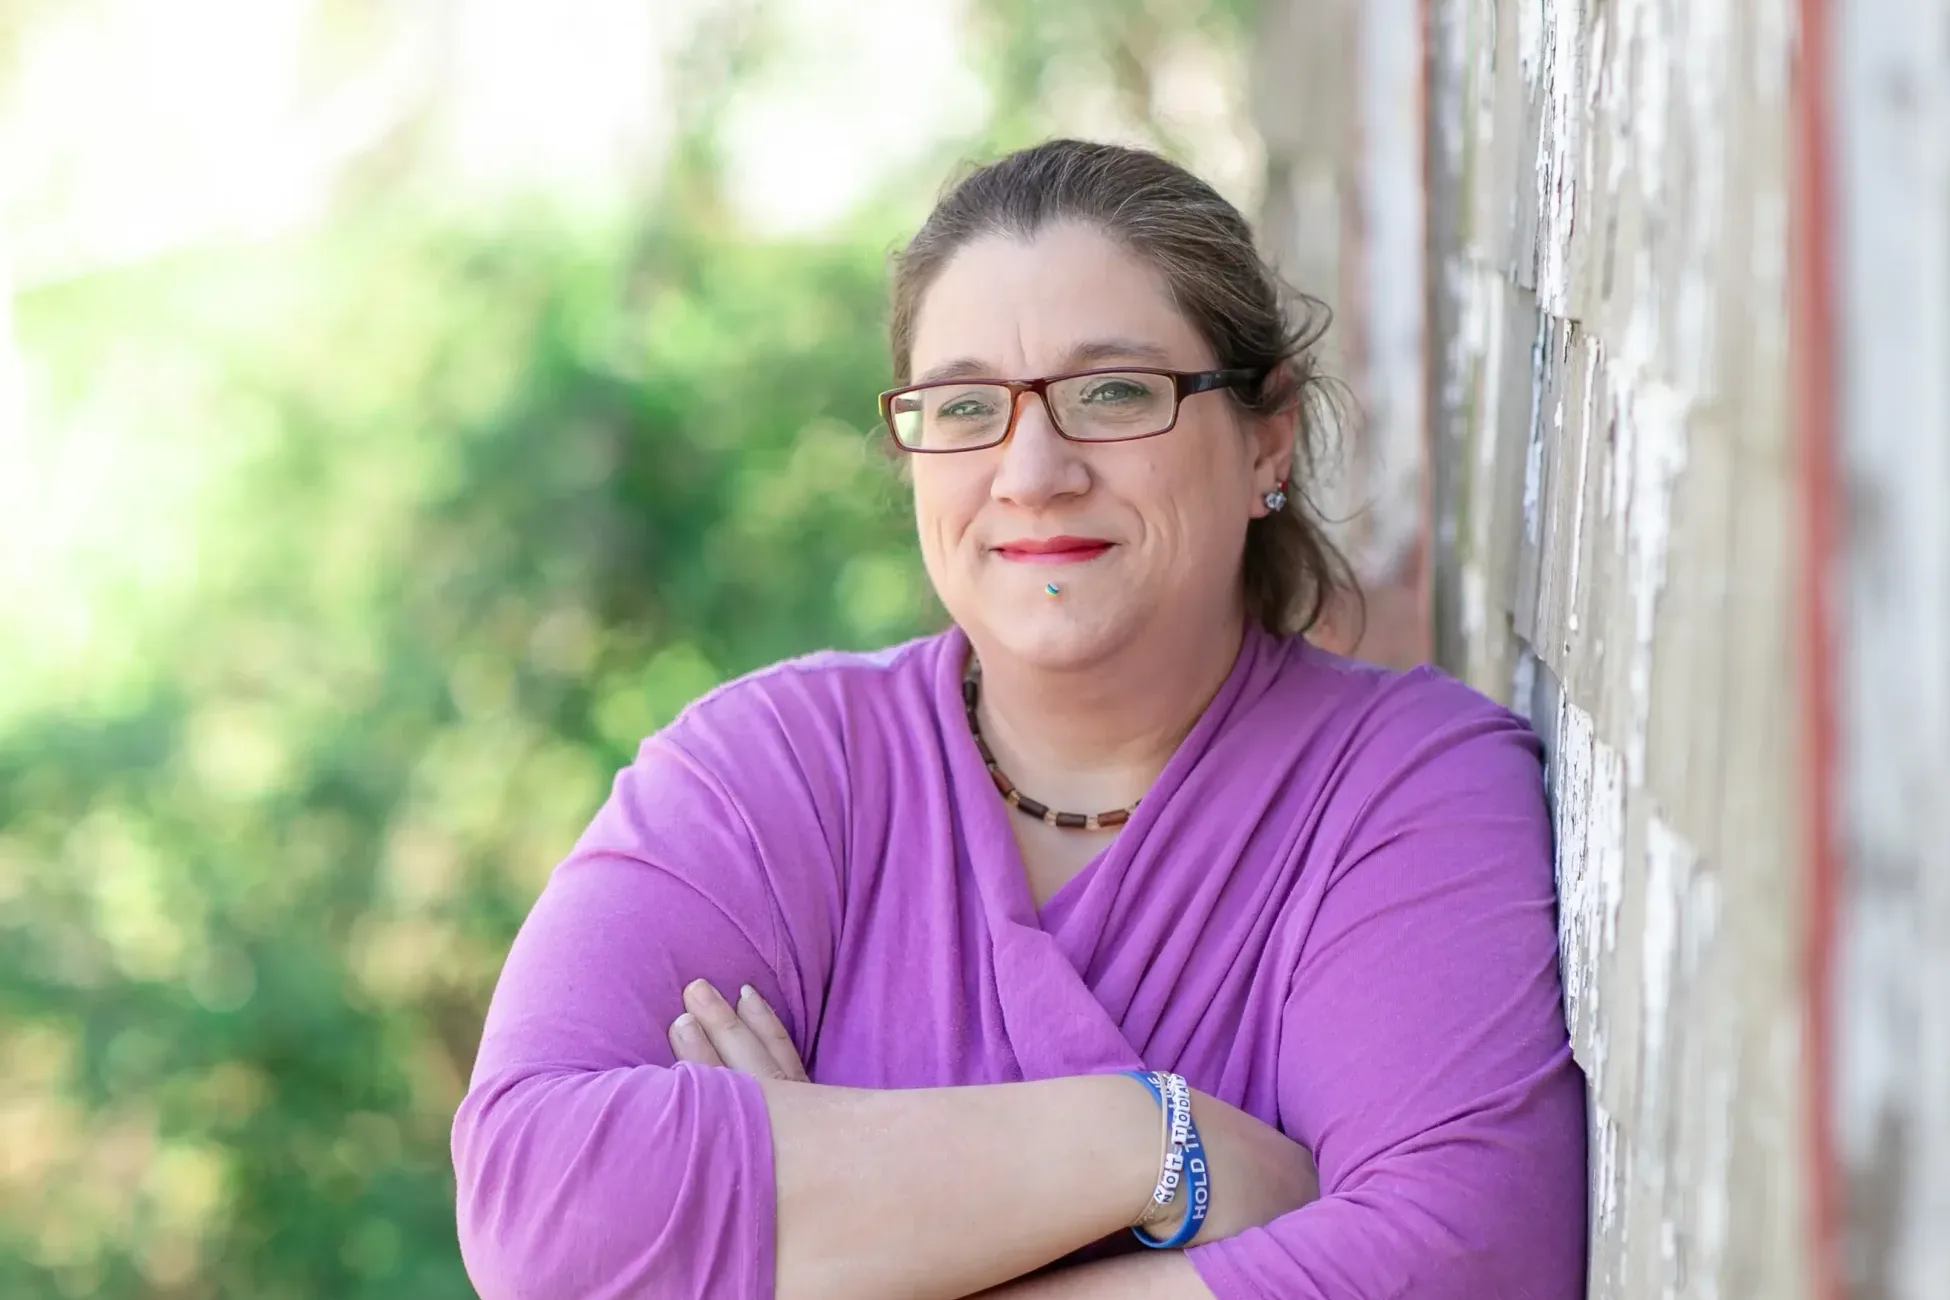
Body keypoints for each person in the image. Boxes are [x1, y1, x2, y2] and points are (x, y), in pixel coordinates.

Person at [450, 138, 1589, 1300]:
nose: (1032, 469)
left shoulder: (1404, 791)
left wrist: (811, 1225)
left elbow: (1465, 1260)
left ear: (1268, 435)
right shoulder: (769, 774)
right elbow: (536, 1213)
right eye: (964, 406)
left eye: (1113, 392)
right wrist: (1153, 1144)